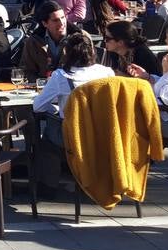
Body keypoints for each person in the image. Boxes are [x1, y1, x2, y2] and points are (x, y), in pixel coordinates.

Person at [31, 32, 116, 188]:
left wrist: (55, 109)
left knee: (47, 140)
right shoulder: (107, 73)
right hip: (101, 131)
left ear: (66, 53)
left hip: (74, 134)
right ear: (92, 51)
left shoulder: (61, 76)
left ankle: (48, 185)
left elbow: (38, 106)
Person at [21, 1, 81, 80]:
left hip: (72, 86)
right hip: (43, 88)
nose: (62, 23)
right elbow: (27, 70)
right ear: (45, 23)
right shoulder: (33, 42)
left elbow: (87, 69)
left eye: (63, 18)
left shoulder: (80, 39)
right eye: (56, 20)